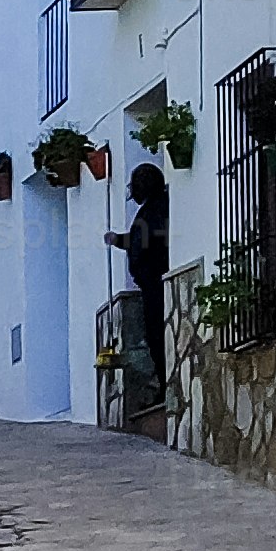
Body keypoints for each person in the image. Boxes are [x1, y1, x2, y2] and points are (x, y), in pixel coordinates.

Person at [106, 162, 170, 394]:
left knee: (157, 337)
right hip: (150, 283)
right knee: (155, 338)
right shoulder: (153, 209)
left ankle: (165, 386)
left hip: (155, 284)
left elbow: (145, 242)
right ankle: (163, 385)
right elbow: (139, 241)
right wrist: (119, 240)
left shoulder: (157, 210)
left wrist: (122, 240)